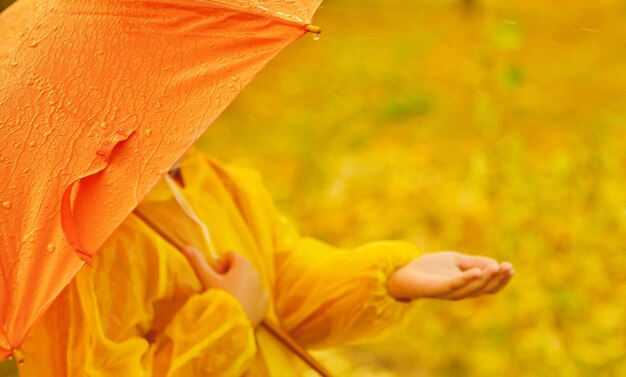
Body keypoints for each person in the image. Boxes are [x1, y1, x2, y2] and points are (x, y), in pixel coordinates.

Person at [17, 147, 513, 376]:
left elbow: (285, 286)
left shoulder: (215, 181)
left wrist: (395, 278)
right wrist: (227, 319)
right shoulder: (80, 243)